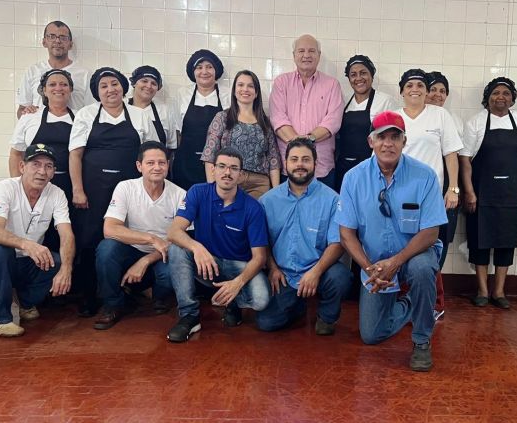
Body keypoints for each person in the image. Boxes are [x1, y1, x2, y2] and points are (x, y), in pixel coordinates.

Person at [336, 111, 447, 372]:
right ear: (370, 141)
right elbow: (346, 233)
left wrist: (396, 262)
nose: (388, 143)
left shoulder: (425, 176)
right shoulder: (353, 178)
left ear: (404, 141)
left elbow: (431, 232)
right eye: (381, 137)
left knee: (422, 270)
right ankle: (410, 304)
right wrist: (368, 268)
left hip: (412, 256)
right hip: (374, 264)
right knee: (371, 335)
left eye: (395, 137)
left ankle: (421, 341)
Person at [69, 67, 158, 317]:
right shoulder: (86, 114)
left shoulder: (139, 115)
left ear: (123, 87)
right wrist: (77, 189)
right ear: (97, 92)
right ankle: (89, 295)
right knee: (88, 242)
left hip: (129, 193)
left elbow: (149, 152)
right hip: (93, 191)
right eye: (104, 85)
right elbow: (75, 154)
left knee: (122, 240)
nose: (111, 89)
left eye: (115, 84)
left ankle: (124, 291)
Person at [166, 148, 270, 342]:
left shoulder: (253, 207)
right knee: (177, 248)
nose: (227, 172)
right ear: (213, 170)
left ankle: (233, 302)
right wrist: (197, 248)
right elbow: (173, 231)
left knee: (261, 300)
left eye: (233, 168)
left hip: (238, 265)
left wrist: (237, 283)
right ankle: (189, 315)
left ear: (241, 175)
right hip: (208, 262)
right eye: (222, 166)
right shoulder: (198, 192)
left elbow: (260, 257)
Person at [0, 144, 75, 337]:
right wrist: (26, 244)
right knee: (1, 250)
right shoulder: (6, 187)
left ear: (53, 172)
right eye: (35, 164)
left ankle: (25, 303)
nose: (41, 171)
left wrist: (67, 269)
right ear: (22, 167)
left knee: (60, 261)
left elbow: (66, 234)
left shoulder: (57, 193)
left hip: (27, 262)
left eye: (48, 166)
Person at [256, 138, 352, 334]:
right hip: (284, 275)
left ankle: (326, 317)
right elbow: (261, 241)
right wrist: (272, 268)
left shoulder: (333, 200)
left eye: (306, 159)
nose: (300, 164)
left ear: (315, 164)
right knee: (266, 323)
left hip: (319, 270)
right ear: (286, 163)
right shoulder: (268, 201)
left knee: (340, 276)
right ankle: (297, 305)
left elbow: (337, 243)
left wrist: (315, 273)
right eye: (294, 159)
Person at [460, 77, 517, 309]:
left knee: (506, 241)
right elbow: (465, 161)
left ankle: (500, 291)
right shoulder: (476, 122)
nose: (500, 97)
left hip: (511, 194)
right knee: (479, 241)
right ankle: (483, 290)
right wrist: (469, 191)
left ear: (512, 98)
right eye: (495, 93)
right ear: (488, 97)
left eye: (505, 93)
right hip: (482, 193)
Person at [94, 141, 186, 330]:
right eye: (150, 163)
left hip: (162, 254)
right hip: (132, 249)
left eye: (162, 163)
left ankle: (158, 295)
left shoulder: (179, 195)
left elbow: (180, 238)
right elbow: (110, 229)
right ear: (139, 166)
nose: (157, 167)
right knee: (106, 249)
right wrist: (151, 238)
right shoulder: (125, 188)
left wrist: (145, 261)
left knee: (171, 270)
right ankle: (112, 305)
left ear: (168, 165)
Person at [399, 69, 462, 321]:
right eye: (410, 85)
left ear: (426, 91)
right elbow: (380, 157)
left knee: (429, 249)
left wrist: (453, 188)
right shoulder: (394, 116)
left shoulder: (439, 115)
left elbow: (451, 155)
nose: (415, 89)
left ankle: (434, 304)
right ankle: (404, 300)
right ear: (402, 90)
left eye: (420, 85)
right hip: (400, 197)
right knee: (403, 249)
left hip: (432, 197)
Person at [269, 34, 344, 189]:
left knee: (323, 212)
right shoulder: (281, 83)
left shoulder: (332, 84)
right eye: (301, 51)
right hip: (288, 167)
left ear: (319, 55)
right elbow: (278, 118)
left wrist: (309, 139)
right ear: (294, 55)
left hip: (322, 168)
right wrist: (301, 145)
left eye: (311, 51)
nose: (306, 55)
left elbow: (333, 121)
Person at [201, 70, 281, 198]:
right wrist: (213, 187)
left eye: (250, 86)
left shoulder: (265, 122)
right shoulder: (222, 118)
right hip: (228, 177)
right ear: (234, 91)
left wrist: (277, 192)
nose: (245, 89)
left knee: (254, 217)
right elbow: (209, 155)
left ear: (256, 93)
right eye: (241, 85)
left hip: (259, 183)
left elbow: (273, 159)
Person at [10, 69, 76, 202]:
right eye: (52, 84)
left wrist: (79, 189)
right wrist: (17, 190)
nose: (58, 88)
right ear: (44, 91)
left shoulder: (81, 117)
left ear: (70, 90)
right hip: (35, 184)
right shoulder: (30, 117)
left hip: (71, 186)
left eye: (63, 84)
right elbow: (16, 154)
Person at [336, 55, 398, 191]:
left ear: (372, 75)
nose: (358, 78)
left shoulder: (385, 101)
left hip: (373, 170)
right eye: (353, 74)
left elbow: (393, 138)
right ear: (349, 79)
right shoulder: (343, 101)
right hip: (343, 169)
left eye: (363, 73)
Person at [173, 49, 230, 190]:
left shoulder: (227, 94)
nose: (204, 71)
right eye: (199, 67)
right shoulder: (182, 94)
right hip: (186, 162)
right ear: (193, 72)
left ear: (216, 71)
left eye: (209, 67)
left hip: (217, 164)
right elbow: (177, 131)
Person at [16, 20, 92, 118]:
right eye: (51, 36)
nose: (57, 41)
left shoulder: (85, 74)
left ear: (70, 44)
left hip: (73, 131)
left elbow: (91, 112)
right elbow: (22, 110)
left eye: (63, 37)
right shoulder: (32, 71)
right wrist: (27, 112)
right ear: (44, 42)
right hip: (39, 131)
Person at [128, 65, 178, 151]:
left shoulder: (164, 111)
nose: (149, 86)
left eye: (154, 83)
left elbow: (171, 146)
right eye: (144, 81)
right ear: (134, 83)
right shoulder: (120, 107)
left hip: (155, 163)